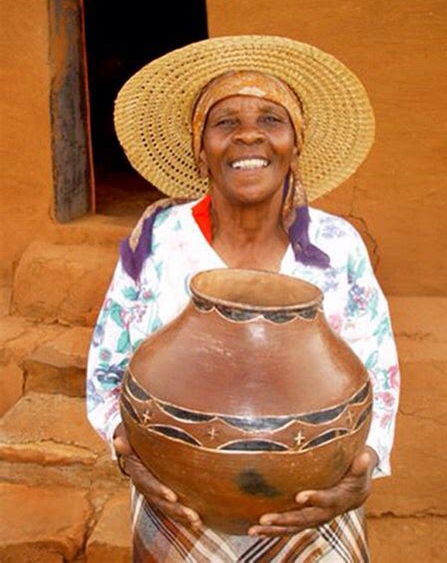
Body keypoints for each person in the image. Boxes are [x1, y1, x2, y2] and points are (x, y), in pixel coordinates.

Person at [87, 35, 399, 562]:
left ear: (295, 144)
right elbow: (106, 367)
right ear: (199, 146)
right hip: (179, 505)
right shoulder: (158, 242)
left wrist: (364, 465)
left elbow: (379, 371)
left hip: (311, 509)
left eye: (271, 121)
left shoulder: (335, 246)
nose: (249, 135)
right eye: (225, 122)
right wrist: (126, 450)